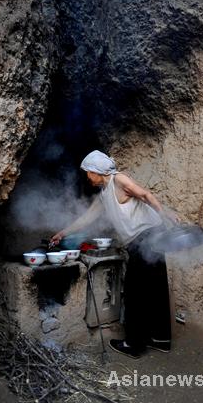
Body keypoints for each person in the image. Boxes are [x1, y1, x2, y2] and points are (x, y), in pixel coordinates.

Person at [50, 150, 172, 359]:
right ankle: (161, 339)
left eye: (88, 172)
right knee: (155, 288)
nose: (87, 177)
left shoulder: (118, 179)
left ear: (98, 171)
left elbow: (145, 194)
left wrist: (166, 213)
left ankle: (134, 345)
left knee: (135, 291)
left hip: (146, 238)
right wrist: (63, 233)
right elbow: (86, 218)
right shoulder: (104, 195)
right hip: (151, 237)